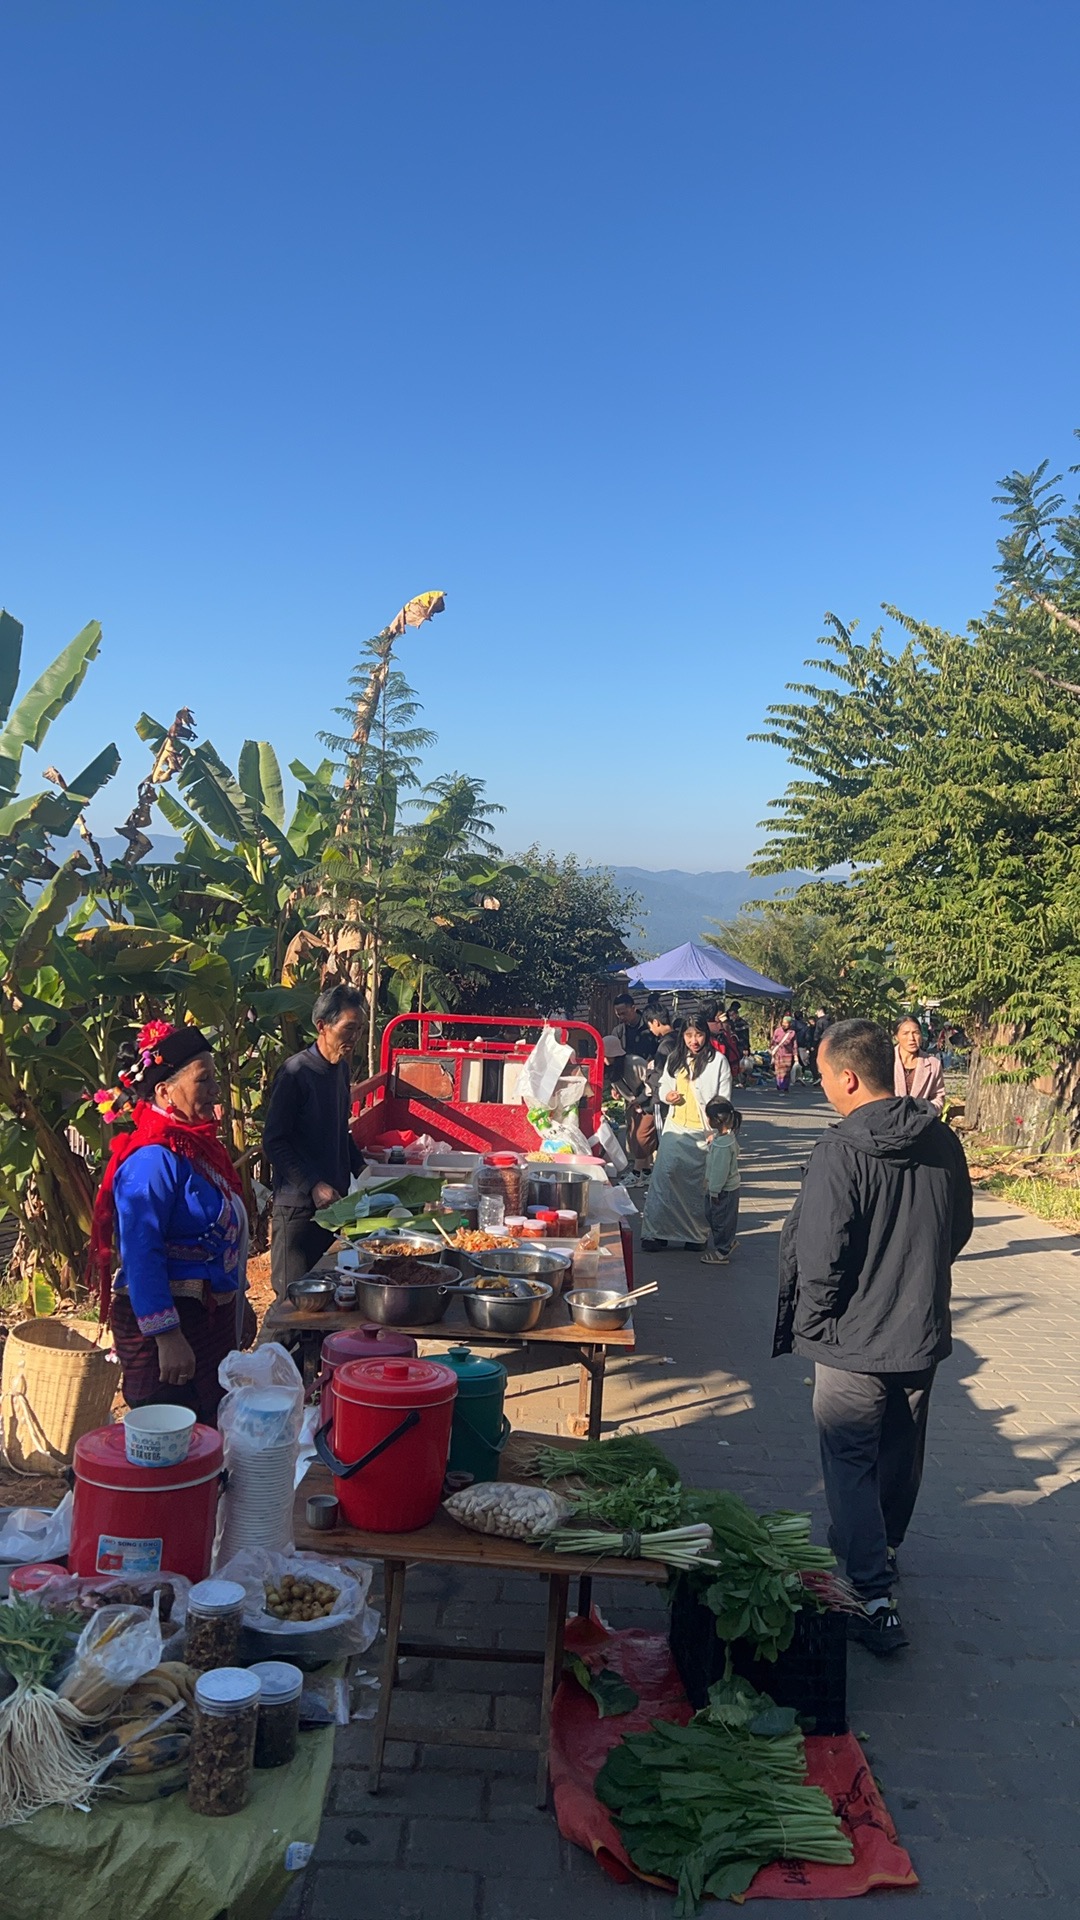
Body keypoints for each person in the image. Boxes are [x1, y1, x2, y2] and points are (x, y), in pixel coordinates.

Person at [773, 1018, 973, 1654]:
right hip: (918, 1331)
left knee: (850, 1457)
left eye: (824, 1076)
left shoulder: (840, 1150)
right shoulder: (941, 1140)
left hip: (852, 1339)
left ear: (850, 1078)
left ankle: (872, 1595)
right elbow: (959, 1229)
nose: (823, 1087)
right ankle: (881, 1548)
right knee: (899, 1450)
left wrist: (814, 1324)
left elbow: (821, 1252)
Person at [87, 1021, 251, 1425]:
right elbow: (141, 1254)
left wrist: (237, 1303)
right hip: (171, 1329)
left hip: (206, 1317)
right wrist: (167, 1336)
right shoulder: (151, 1160)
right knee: (173, 1437)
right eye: (203, 1080)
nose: (215, 1089)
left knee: (209, 1429)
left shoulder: (193, 1148)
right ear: (164, 1092)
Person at [263, 984, 365, 1297]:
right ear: (322, 1026)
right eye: (348, 1028)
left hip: (334, 1207)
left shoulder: (341, 1070)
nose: (355, 1037)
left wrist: (363, 1169)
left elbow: (339, 1129)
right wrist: (313, 1185)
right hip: (298, 1208)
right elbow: (274, 1141)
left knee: (327, 1294)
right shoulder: (296, 1073)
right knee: (292, 1299)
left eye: (359, 1029)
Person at [641, 1015, 733, 1251]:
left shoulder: (718, 1061)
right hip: (676, 1128)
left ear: (706, 1035)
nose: (694, 1040)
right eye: (689, 1035)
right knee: (665, 1177)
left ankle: (694, 1236)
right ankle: (656, 1233)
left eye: (699, 1034)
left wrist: (718, 1129)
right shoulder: (675, 1058)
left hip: (703, 1133)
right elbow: (664, 1084)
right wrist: (667, 1095)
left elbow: (723, 1098)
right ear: (682, 1036)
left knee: (696, 1186)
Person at [607, 991, 658, 1180]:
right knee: (632, 1129)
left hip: (648, 1082)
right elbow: (614, 1066)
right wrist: (615, 1087)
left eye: (624, 1013)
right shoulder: (618, 1031)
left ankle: (643, 1169)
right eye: (618, 1014)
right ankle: (642, 1169)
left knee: (644, 1132)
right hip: (628, 1087)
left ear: (633, 1008)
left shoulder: (649, 1028)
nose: (621, 1017)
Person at [702, 1097, 742, 1266]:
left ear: (717, 1120)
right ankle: (726, 1243)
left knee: (720, 1220)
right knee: (718, 1217)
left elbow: (720, 1172)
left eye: (708, 1117)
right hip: (725, 1188)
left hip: (722, 1190)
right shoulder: (726, 1137)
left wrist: (714, 1191)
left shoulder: (722, 1147)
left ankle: (723, 1251)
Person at [893, 1015, 946, 1113]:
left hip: (921, 1119)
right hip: (890, 1119)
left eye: (916, 1033)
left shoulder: (933, 1064)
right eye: (905, 1033)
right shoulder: (884, 1061)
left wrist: (927, 1111)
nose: (911, 1038)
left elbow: (938, 1096)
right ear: (896, 1037)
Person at [770, 1013, 799, 1092]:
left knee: (786, 1071)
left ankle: (785, 1086)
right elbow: (773, 1041)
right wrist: (772, 1048)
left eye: (786, 1023)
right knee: (778, 1070)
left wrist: (795, 1055)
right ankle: (779, 1085)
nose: (784, 1024)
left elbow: (794, 1045)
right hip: (778, 1054)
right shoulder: (777, 1031)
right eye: (783, 1022)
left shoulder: (792, 1033)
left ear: (789, 1024)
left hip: (788, 1054)